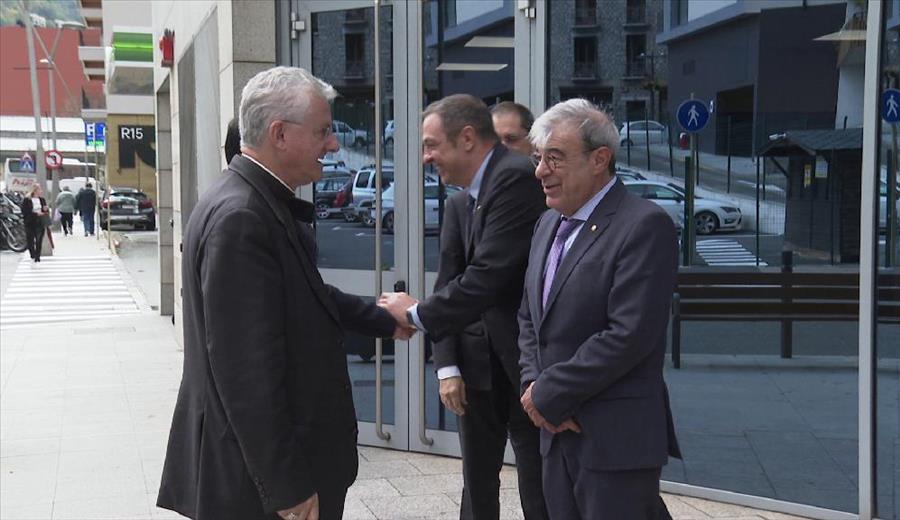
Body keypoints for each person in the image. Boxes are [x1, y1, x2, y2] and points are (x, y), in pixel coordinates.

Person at [157, 66, 412, 520]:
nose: (334, 145)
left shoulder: (251, 200)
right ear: (279, 134)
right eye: (323, 131)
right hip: (262, 487)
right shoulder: (242, 217)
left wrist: (384, 318)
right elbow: (246, 373)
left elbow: (303, 297)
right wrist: (287, 488)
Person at [379, 94, 548, 520]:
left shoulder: (513, 178)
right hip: (476, 366)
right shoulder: (467, 197)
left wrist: (415, 314)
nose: (425, 157)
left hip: (524, 364)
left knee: (537, 483)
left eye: (432, 145)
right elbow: (451, 281)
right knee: (477, 483)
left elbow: (486, 278)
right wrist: (447, 365)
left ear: (468, 139)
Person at [517, 99, 681, 519]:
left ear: (599, 159)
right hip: (554, 432)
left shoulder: (643, 225)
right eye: (539, 159)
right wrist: (536, 388)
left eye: (554, 158)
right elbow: (531, 319)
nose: (540, 172)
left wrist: (549, 394)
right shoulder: (547, 223)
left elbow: (629, 334)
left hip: (613, 441)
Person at [20, 184, 49, 262]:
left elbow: (45, 210)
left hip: (40, 221)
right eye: (40, 189)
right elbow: (25, 211)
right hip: (30, 222)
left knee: (39, 239)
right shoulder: (27, 200)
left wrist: (45, 209)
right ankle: (32, 254)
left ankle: (37, 256)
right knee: (30, 239)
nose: (41, 191)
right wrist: (36, 214)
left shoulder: (42, 199)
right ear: (35, 190)